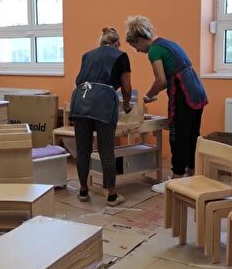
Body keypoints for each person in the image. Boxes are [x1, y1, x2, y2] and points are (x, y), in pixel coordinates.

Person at [125, 15, 208, 194]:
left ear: (140, 40)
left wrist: (149, 95)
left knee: (177, 135)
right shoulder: (167, 43)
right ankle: (191, 173)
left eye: (135, 46)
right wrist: (156, 93)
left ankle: (177, 178)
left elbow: (161, 80)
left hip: (183, 93)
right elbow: (171, 74)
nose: (137, 51)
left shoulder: (154, 50)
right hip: (196, 91)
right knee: (192, 135)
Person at [69, 27, 132, 207]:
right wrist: (126, 105)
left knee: (83, 149)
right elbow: (127, 88)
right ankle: (112, 195)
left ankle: (83, 190)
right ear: (116, 43)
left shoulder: (87, 55)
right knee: (106, 150)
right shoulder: (121, 56)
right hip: (103, 104)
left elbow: (79, 81)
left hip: (80, 103)